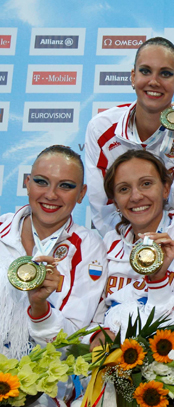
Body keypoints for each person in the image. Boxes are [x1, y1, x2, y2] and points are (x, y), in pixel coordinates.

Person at [85, 37, 174, 236]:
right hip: (126, 242)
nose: (154, 82)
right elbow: (105, 213)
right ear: (133, 77)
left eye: (165, 73)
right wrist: (139, 248)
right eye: (145, 71)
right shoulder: (101, 129)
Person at [91, 150, 174, 343]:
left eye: (146, 184)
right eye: (124, 189)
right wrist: (98, 337)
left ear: (165, 189)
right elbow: (94, 316)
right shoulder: (109, 242)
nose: (136, 196)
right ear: (115, 202)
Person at [0, 145, 106, 357]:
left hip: (43, 374)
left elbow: (72, 343)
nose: (51, 195)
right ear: (27, 183)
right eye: (41, 182)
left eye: (65, 186)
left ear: (81, 194)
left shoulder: (89, 247)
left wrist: (40, 308)